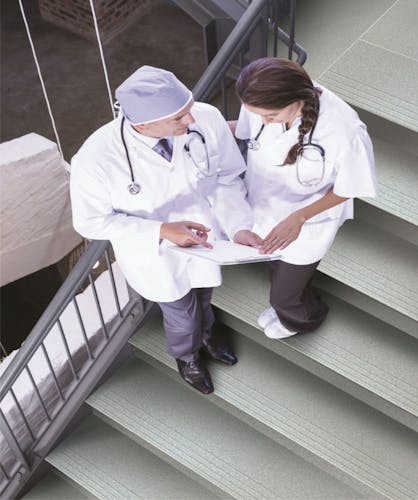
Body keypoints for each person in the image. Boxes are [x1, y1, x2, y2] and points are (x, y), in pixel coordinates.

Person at [70, 65, 262, 394]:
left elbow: (227, 178)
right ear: (142, 124)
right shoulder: (95, 159)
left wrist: (239, 226)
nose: (190, 121)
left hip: (207, 241)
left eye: (188, 109)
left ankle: (208, 337)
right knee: (181, 313)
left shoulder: (205, 118)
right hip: (156, 256)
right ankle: (187, 357)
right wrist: (161, 230)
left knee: (203, 297)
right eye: (178, 118)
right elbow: (89, 222)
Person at [234, 57, 376, 339]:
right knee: (276, 265)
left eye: (270, 116)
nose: (263, 121)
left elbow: (350, 187)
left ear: (296, 99)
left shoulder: (343, 131)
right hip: (265, 206)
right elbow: (251, 133)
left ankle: (303, 319)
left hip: (309, 220)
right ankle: (287, 305)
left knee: (284, 296)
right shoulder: (260, 101)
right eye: (257, 114)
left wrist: (299, 217)